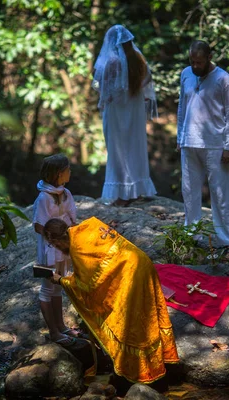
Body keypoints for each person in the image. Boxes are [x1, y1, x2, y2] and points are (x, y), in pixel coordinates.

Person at [43, 216, 179, 384]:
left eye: (53, 244)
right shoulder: (88, 226)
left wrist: (60, 280)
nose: (55, 248)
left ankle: (139, 373)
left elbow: (85, 286)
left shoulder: (77, 250)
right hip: (142, 263)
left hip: (131, 276)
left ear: (55, 239)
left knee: (131, 323)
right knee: (148, 317)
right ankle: (160, 362)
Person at [176, 40, 229, 260]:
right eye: (192, 61)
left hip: (215, 143)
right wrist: (180, 136)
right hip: (189, 142)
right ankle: (191, 234)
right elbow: (182, 107)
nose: (195, 66)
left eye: (199, 62)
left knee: (221, 193)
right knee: (189, 190)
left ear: (209, 57)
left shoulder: (224, 80)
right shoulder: (186, 74)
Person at [92, 24, 158, 207]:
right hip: (135, 109)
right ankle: (135, 190)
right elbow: (148, 79)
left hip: (117, 113)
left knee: (118, 151)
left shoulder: (112, 61)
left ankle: (122, 195)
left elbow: (101, 87)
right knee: (134, 148)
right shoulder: (138, 59)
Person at [32, 154, 85, 348]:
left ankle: (61, 326)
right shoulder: (44, 198)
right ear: (58, 173)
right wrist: (55, 237)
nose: (70, 172)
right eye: (68, 169)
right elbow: (38, 226)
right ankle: (53, 332)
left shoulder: (66, 193)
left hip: (64, 247)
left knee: (58, 285)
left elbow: (72, 218)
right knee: (48, 288)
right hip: (50, 250)